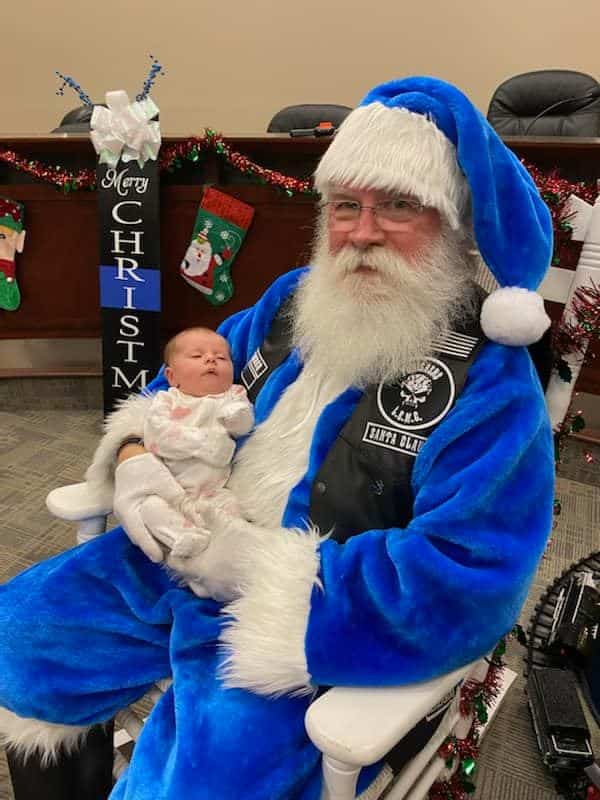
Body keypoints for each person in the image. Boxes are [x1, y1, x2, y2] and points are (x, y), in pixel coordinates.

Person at [0, 76, 555, 800]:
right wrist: (136, 456)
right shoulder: (294, 299)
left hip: (303, 617)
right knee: (19, 638)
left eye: (397, 205)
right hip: (184, 547)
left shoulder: (489, 381)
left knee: (207, 781)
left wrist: (258, 569)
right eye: (346, 205)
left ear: (455, 224)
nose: (361, 232)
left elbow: (470, 577)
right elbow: (182, 384)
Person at [102, 326, 254, 572]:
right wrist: (207, 444)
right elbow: (158, 438)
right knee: (151, 508)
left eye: (222, 357)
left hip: (213, 490)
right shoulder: (167, 400)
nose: (211, 359)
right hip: (166, 483)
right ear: (172, 377)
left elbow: (244, 425)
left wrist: (237, 417)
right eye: (197, 356)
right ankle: (181, 537)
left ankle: (226, 555)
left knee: (233, 513)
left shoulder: (234, 395)